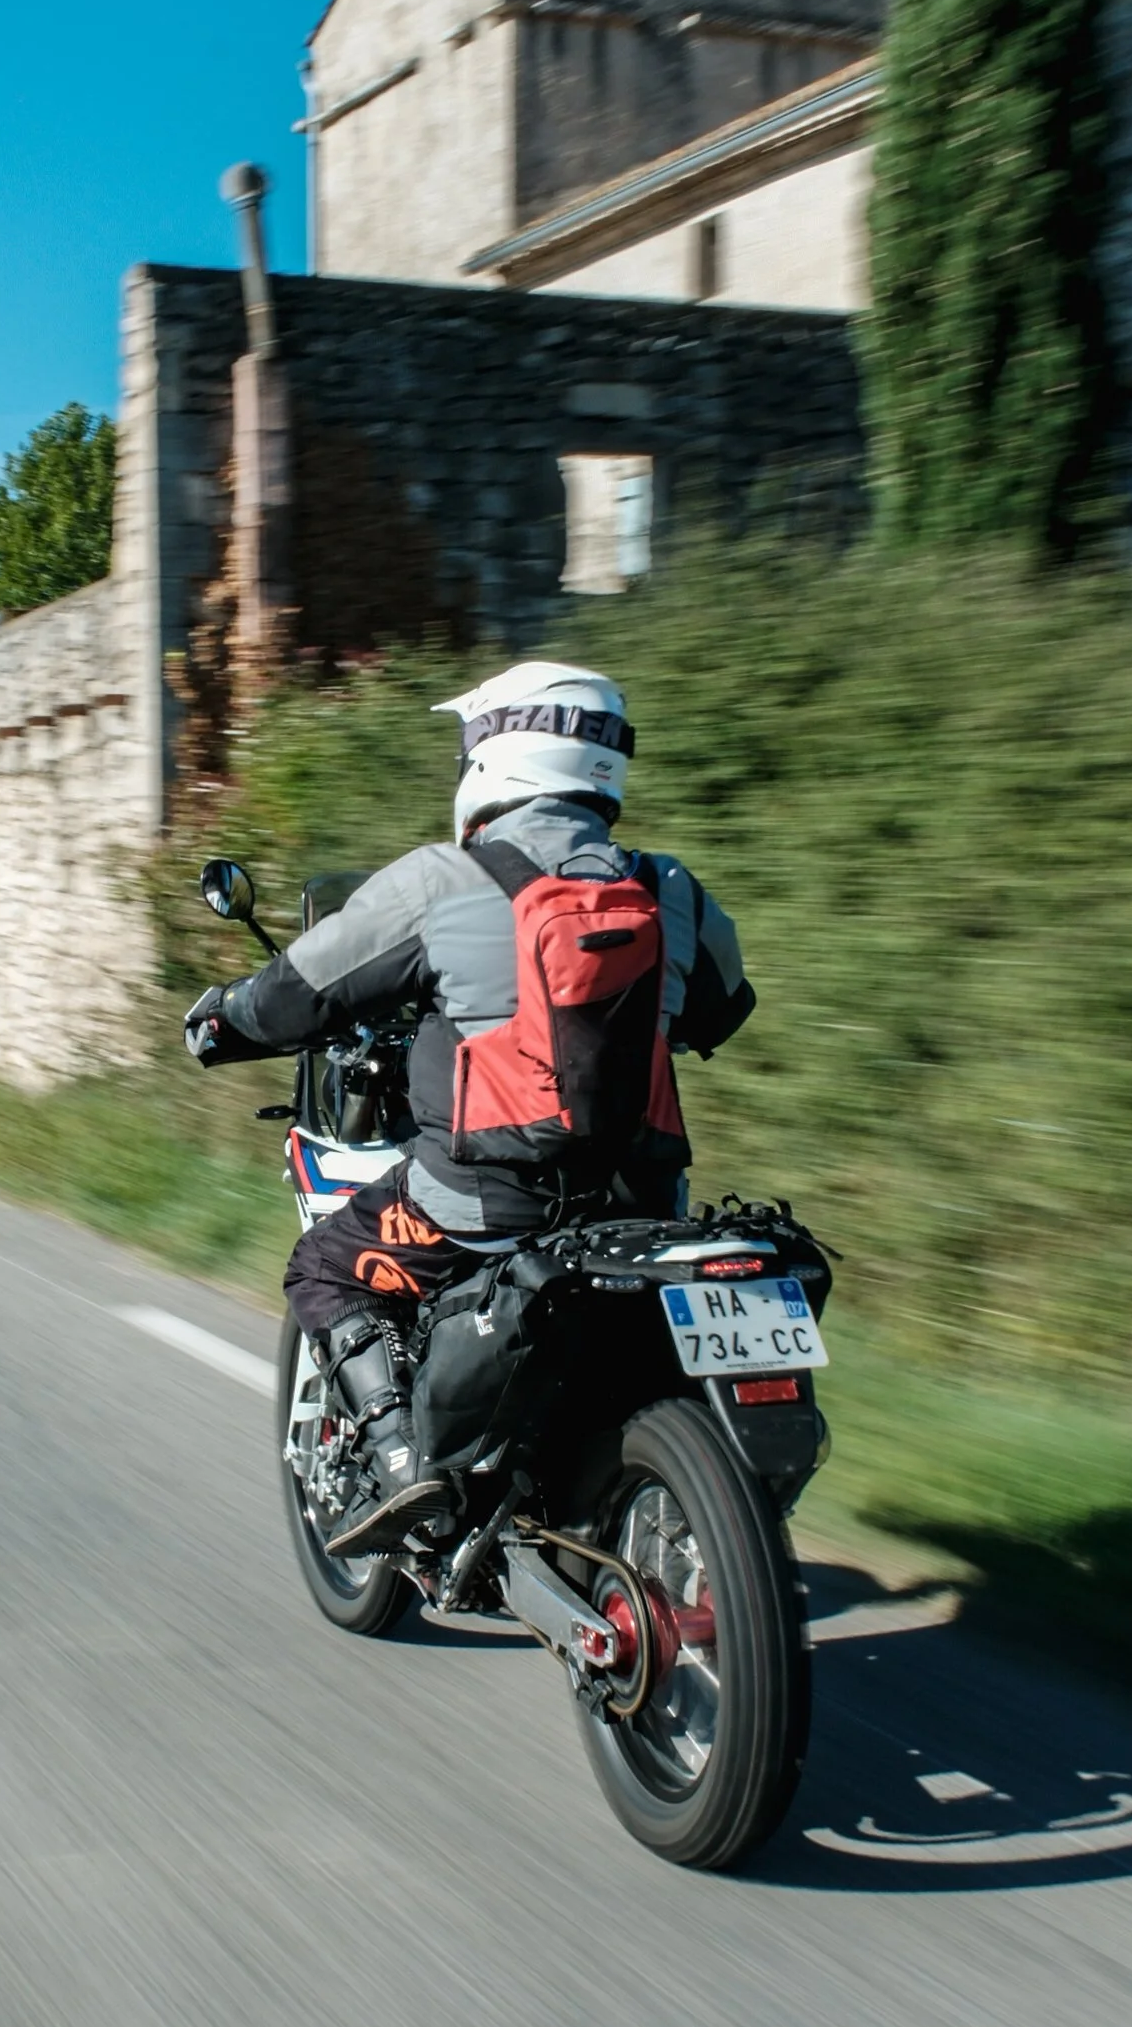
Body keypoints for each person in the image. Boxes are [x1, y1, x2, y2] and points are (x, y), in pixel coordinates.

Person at [183, 660, 756, 1555]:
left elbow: (297, 995)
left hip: (485, 1205)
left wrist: (221, 1018)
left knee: (324, 1270)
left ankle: (405, 1465)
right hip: (641, 1203)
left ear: (496, 755)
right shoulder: (672, 889)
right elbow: (725, 1009)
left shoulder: (443, 881)